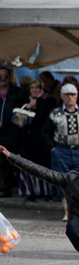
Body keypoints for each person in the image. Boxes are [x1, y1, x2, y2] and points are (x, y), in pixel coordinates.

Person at [42, 83, 79, 220]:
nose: (70, 97)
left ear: (77, 96)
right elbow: (45, 132)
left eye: (73, 94)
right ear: (62, 96)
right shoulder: (55, 113)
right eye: (67, 94)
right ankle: (67, 212)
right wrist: (52, 148)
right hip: (61, 151)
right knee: (63, 182)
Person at [18, 79, 57, 201]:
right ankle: (30, 191)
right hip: (27, 141)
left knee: (41, 167)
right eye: (32, 88)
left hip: (41, 142)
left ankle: (44, 193)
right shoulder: (25, 101)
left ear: (41, 89)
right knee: (27, 166)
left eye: (37, 88)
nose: (34, 90)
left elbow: (45, 115)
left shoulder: (48, 101)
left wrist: (37, 103)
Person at [0, 67, 27, 197]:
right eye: (0, 76)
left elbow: (22, 114)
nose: (3, 79)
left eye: (5, 76)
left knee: (10, 161)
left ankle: (11, 187)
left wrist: (10, 124)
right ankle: (4, 187)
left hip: (12, 133)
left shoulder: (17, 93)